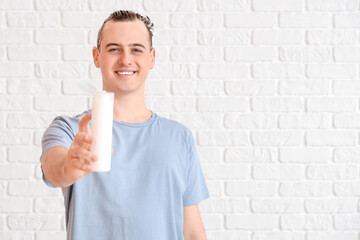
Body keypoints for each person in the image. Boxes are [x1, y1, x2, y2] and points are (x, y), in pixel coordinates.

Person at [40, 10, 209, 240]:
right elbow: (54, 168)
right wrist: (70, 166)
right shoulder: (70, 130)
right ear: (96, 57)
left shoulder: (179, 137)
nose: (126, 59)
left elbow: (192, 232)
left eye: (136, 49)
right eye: (113, 49)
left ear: (152, 58)